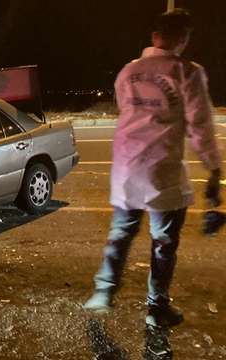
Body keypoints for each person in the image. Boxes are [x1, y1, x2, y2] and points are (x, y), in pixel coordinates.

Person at [83, 8, 223, 329]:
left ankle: (104, 292)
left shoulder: (128, 72)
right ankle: (156, 308)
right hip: (163, 173)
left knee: (120, 233)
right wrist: (214, 170)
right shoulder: (188, 72)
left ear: (154, 37)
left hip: (127, 171)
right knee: (163, 244)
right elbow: (200, 126)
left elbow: (125, 109)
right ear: (184, 39)